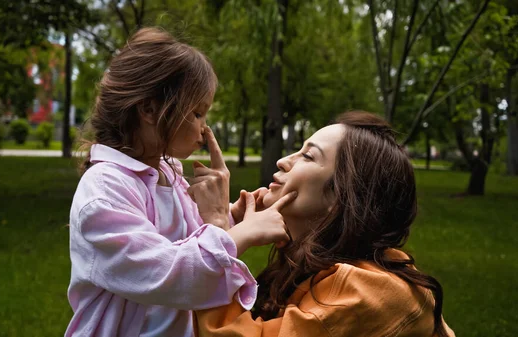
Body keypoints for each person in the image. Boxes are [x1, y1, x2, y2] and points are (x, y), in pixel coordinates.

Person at [65, 27, 295, 337]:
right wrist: (241, 235)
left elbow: (190, 239)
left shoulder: (167, 172)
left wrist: (234, 215)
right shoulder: (104, 191)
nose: (204, 129)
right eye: (198, 113)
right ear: (149, 109)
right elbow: (168, 274)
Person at [196, 111, 455, 337]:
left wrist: (220, 236)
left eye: (307, 156)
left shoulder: (364, 293)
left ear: (343, 195)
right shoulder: (313, 267)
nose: (283, 161)